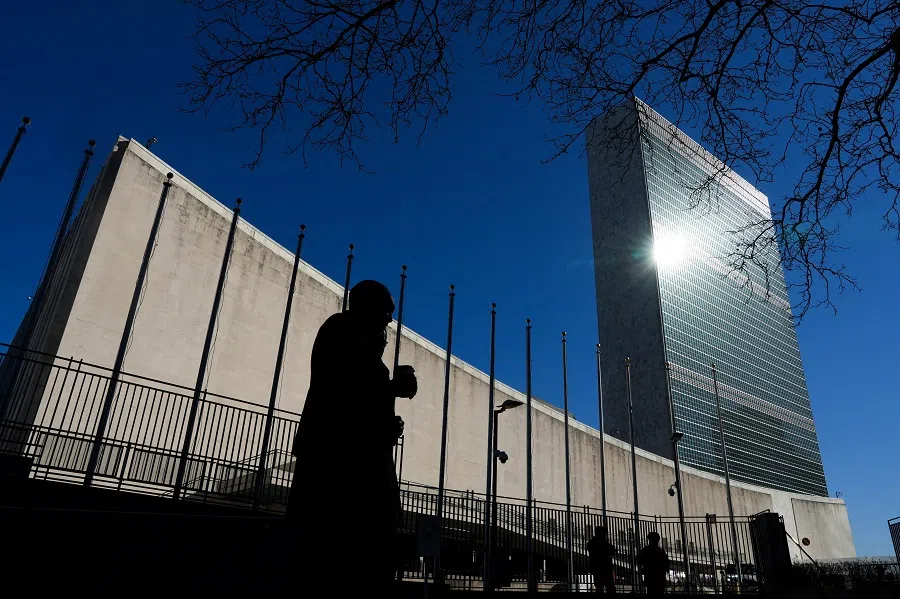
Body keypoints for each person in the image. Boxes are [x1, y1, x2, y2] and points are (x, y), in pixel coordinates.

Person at [286, 280, 417, 594]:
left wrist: (387, 422)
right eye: (385, 310)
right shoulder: (342, 331)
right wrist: (393, 388)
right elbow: (346, 391)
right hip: (339, 459)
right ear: (365, 306)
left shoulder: (358, 342)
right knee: (349, 545)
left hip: (354, 456)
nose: (389, 319)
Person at [637, 531, 669, 597]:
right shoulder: (660, 550)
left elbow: (639, 560)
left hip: (650, 576)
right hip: (659, 576)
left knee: (651, 593)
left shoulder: (646, 550)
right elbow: (666, 562)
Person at [587, 526, 617, 594]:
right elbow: (611, 549)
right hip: (605, 567)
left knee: (599, 587)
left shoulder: (592, 542)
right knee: (610, 586)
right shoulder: (602, 542)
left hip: (596, 567)